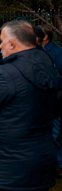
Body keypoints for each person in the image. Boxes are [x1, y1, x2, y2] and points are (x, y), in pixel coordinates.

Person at [0, 20, 61, 191]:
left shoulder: (7, 74)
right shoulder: (49, 66)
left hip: (8, 164)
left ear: (12, 43)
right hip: (41, 160)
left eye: (2, 41)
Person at [39, 24, 62, 177]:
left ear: (45, 36)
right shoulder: (37, 51)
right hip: (41, 99)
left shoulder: (58, 52)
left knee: (56, 134)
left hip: (56, 99)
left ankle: (60, 165)